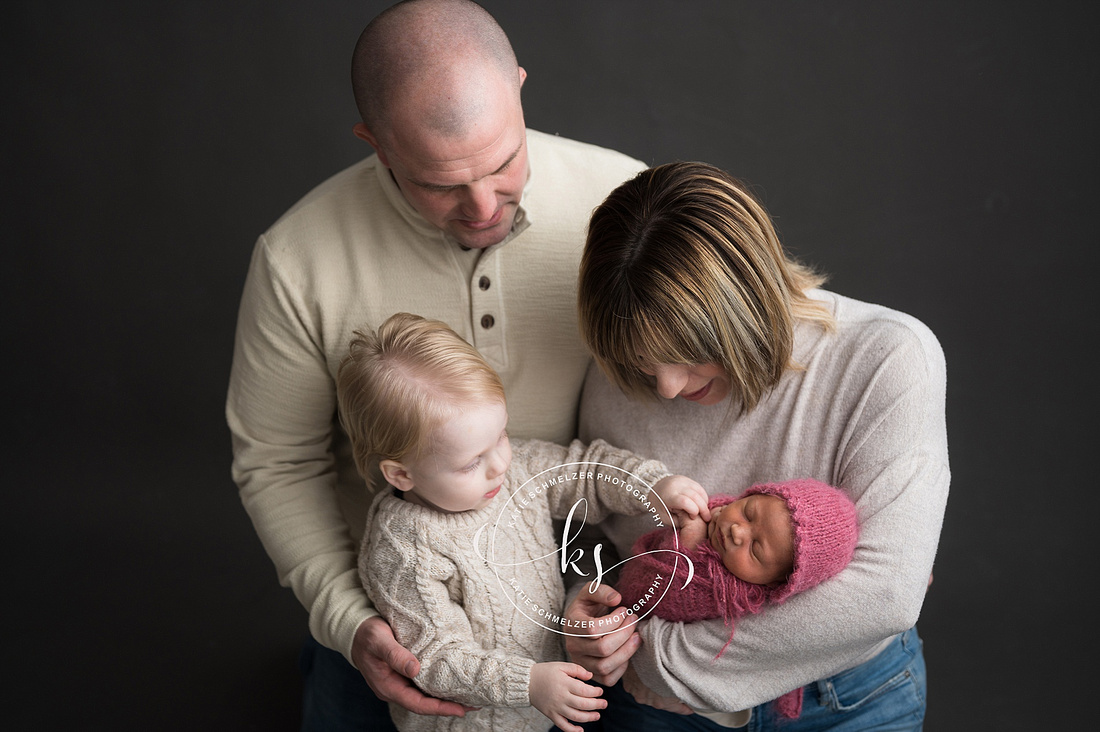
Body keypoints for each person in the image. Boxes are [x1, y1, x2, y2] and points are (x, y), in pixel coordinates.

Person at [224, 1, 645, 728]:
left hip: (580, 618)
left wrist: (627, 593)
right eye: (440, 184)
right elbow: (278, 462)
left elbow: (685, 398)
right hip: (389, 629)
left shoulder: (624, 202)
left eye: (504, 163)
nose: (483, 205)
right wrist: (352, 622)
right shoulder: (297, 260)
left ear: (518, 85)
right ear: (377, 143)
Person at [567, 161, 949, 731]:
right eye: (646, 362)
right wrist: (583, 611)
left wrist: (660, 662)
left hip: (844, 698)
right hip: (646, 704)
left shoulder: (889, 359)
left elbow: (882, 597)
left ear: (748, 302)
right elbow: (585, 540)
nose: (667, 387)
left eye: (687, 351)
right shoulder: (614, 379)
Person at [336, 312, 711, 732]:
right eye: (471, 463)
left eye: (501, 437)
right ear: (401, 475)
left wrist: (651, 484)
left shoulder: (512, 472)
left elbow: (582, 469)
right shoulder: (405, 545)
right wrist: (527, 682)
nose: (499, 465)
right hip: (470, 725)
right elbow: (436, 656)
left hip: (542, 709)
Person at [617, 479, 859, 727]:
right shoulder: (715, 516)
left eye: (755, 549)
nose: (737, 531)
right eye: (748, 512)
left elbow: (644, 595)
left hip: (700, 688)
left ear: (774, 584)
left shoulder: (734, 593)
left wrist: (688, 545)